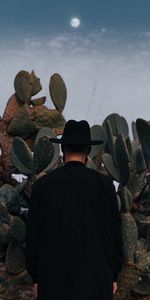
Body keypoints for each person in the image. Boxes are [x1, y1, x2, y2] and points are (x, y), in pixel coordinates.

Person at [26, 119, 123, 300]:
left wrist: (36, 277)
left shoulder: (43, 186)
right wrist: (113, 274)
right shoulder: (105, 185)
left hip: (53, 281)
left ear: (62, 151)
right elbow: (115, 234)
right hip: (97, 279)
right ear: (88, 151)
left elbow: (33, 237)